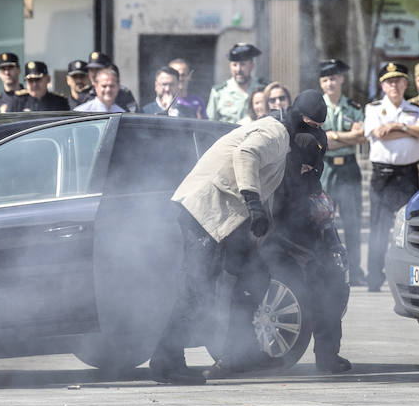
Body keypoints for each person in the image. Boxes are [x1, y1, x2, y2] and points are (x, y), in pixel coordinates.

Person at [147, 93, 312, 384]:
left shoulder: (280, 137)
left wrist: (260, 220)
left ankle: (242, 352)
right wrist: (253, 204)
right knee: (196, 289)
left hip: (224, 217)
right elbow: (245, 155)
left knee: (255, 275)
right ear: (305, 123)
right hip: (205, 213)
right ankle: (166, 360)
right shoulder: (275, 131)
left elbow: (267, 188)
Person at [271, 131, 351, 373]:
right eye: (303, 163)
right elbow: (278, 222)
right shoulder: (281, 182)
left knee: (331, 292)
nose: (308, 168)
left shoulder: (311, 180)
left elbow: (321, 214)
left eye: (312, 163)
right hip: (288, 253)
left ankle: (328, 356)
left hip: (316, 249)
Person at [363, 62, 419, 292]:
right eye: (389, 81)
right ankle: (374, 276)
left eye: (398, 80)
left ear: (405, 83)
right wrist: (409, 131)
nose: (394, 85)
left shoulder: (415, 109)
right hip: (383, 174)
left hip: (408, 173)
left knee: (411, 226)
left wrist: (396, 125)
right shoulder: (373, 109)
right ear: (382, 85)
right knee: (379, 227)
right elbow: (378, 135)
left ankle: (411, 274)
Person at [318, 59, 366, 285]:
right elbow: (319, 140)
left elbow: (362, 136)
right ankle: (327, 269)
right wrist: (345, 136)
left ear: (342, 79)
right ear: (321, 82)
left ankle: (356, 271)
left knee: (352, 221)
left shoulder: (353, 108)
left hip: (349, 167)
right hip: (325, 168)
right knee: (323, 220)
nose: (330, 83)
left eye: (334, 78)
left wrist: (332, 136)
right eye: (326, 79)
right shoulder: (318, 107)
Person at [207, 43, 266, 123]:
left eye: (243, 64)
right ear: (230, 67)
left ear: (252, 66)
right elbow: (211, 122)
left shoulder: (263, 89)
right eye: (234, 65)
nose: (238, 70)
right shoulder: (219, 92)